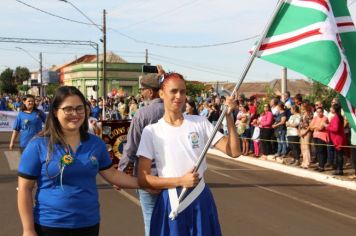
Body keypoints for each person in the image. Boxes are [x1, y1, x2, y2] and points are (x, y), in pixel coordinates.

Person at [17, 86, 138, 236]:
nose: (75, 114)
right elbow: (24, 189)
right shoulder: (38, 145)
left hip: (88, 224)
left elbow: (113, 175)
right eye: (68, 109)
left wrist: (145, 183)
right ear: (55, 111)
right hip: (49, 225)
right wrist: (28, 230)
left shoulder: (96, 144)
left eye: (79, 108)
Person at [137, 72, 241, 235]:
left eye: (183, 92)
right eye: (174, 91)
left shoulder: (199, 123)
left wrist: (228, 117)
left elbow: (234, 151)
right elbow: (143, 179)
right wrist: (180, 180)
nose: (179, 96)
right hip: (170, 202)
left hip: (200, 200)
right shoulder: (151, 131)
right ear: (162, 93)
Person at [118, 66, 165, 236]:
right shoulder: (176, 110)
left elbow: (131, 146)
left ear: (151, 92)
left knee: (151, 222)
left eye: (143, 90)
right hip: (173, 176)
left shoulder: (143, 113)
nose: (141, 93)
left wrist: (121, 173)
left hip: (149, 175)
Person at [325, 103, 346, 175]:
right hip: (338, 138)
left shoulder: (336, 117)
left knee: (339, 155)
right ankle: (339, 169)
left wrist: (327, 126)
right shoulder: (339, 116)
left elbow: (336, 129)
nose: (330, 109)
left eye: (332, 108)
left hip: (338, 139)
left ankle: (339, 170)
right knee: (338, 155)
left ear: (334, 109)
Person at [310, 106, 329, 172]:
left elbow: (321, 128)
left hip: (322, 137)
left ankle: (322, 166)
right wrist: (315, 127)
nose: (319, 113)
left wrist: (315, 126)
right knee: (317, 151)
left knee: (321, 151)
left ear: (322, 112)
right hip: (315, 136)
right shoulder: (315, 118)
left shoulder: (325, 118)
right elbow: (310, 127)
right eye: (317, 112)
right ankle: (319, 165)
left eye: (320, 112)